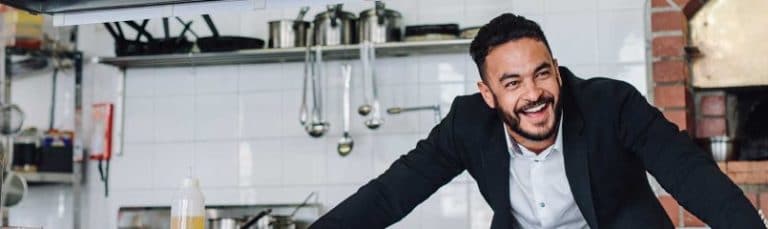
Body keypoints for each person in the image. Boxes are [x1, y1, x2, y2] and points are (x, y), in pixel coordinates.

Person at [309, 13, 764, 229]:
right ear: (486, 94)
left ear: (556, 69)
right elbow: (391, 194)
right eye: (512, 83)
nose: (533, 94)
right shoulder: (466, 125)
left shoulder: (610, 104)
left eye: (541, 73)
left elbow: (689, 171)